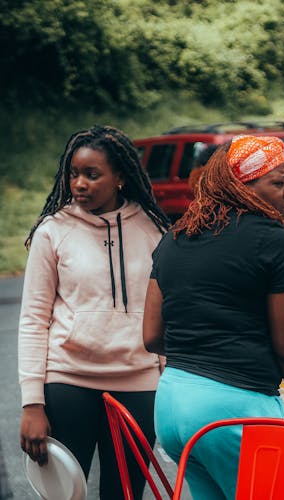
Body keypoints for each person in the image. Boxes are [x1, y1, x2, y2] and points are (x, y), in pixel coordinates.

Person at [143, 136, 284, 500]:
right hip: (237, 416)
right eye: (278, 183)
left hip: (172, 408)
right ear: (240, 185)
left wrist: (217, 336)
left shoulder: (175, 237)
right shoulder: (275, 240)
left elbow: (152, 335)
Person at [18, 125, 171, 499]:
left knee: (126, 493)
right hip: (69, 382)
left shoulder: (154, 230)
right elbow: (34, 318)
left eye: (91, 174)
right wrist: (32, 403)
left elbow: (168, 311)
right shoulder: (53, 231)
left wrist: (167, 374)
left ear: (120, 177)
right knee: (65, 494)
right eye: (73, 174)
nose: (79, 184)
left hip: (139, 385)